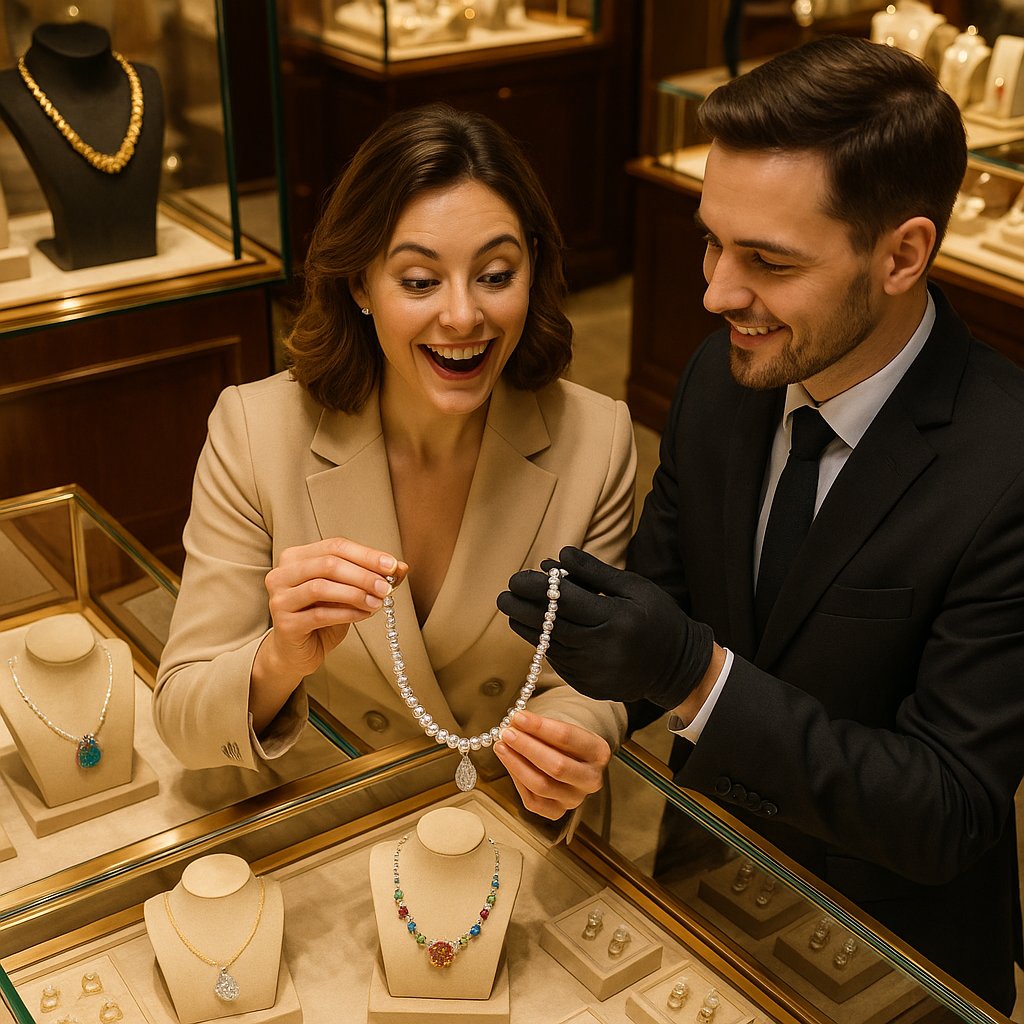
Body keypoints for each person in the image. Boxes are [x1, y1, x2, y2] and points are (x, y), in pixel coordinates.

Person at [499, 36, 1024, 1011]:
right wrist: (597, 700)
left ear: (903, 252)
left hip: (892, 961)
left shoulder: (1007, 466)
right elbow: (671, 593)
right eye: (711, 238)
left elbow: (946, 808)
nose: (714, 292)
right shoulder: (719, 378)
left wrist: (694, 675)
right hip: (701, 885)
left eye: (767, 260)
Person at [153, 103, 636, 821]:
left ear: (533, 269)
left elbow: (596, 677)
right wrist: (281, 658)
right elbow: (183, 720)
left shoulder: (599, 437)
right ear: (360, 286)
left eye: (496, 274)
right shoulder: (254, 430)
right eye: (419, 282)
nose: (464, 316)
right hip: (324, 831)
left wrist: (574, 738)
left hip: (506, 828)